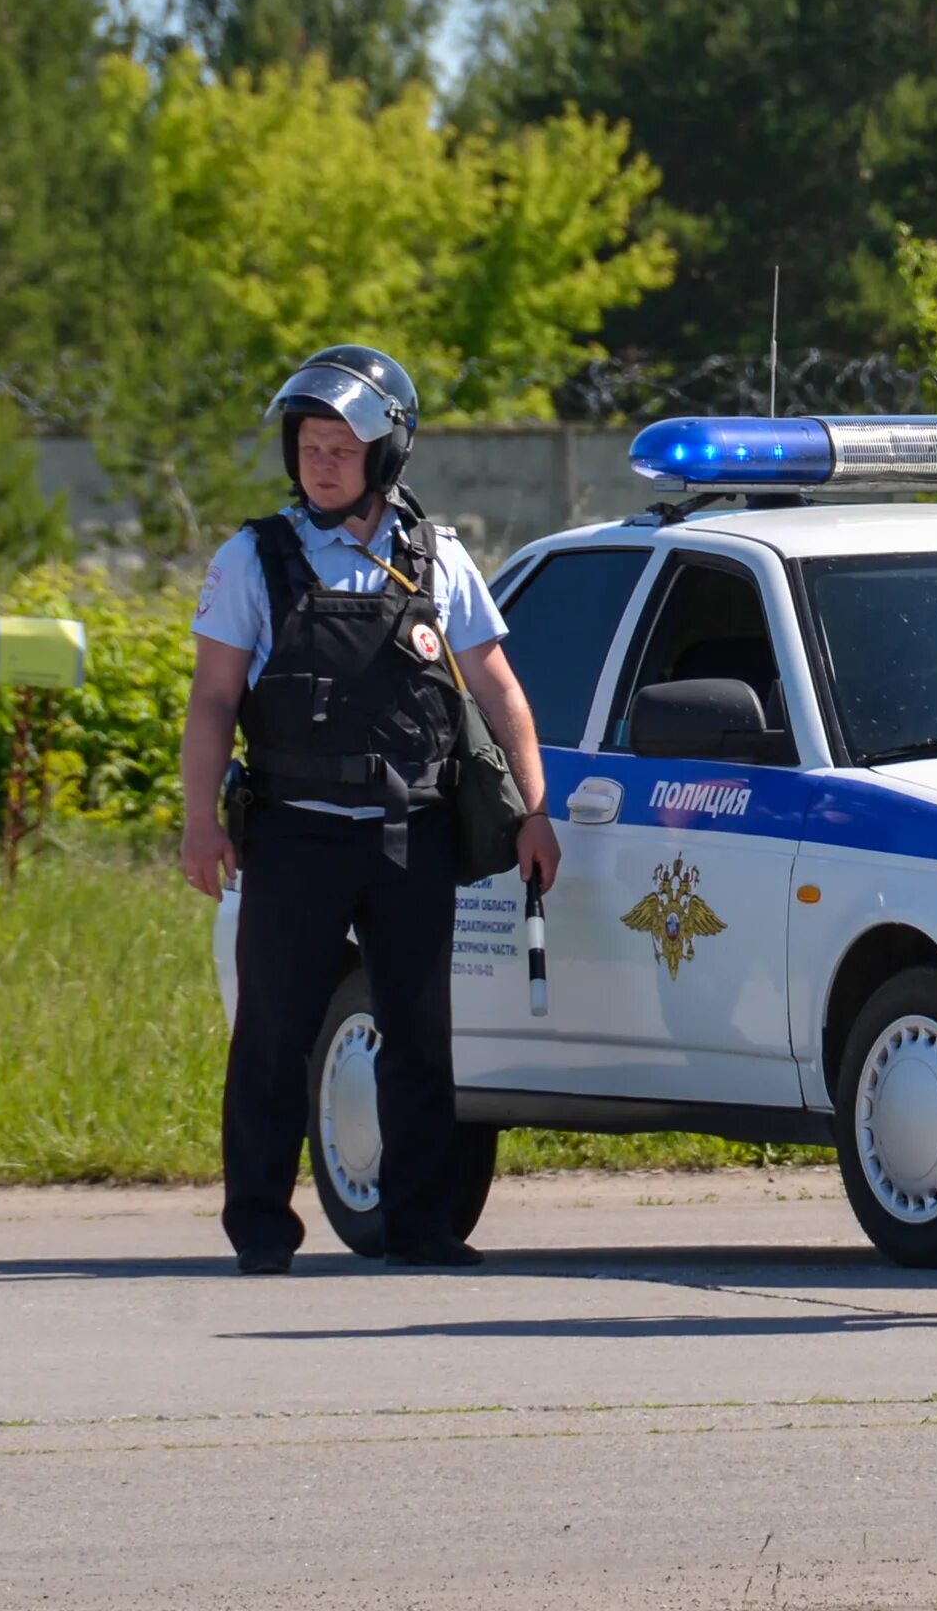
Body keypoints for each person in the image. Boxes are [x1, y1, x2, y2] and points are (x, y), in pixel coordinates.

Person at [177, 345, 561, 1274]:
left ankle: (422, 1227)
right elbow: (214, 701)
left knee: (420, 1040)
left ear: (386, 455)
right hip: (294, 833)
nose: (322, 463)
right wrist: (199, 821)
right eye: (310, 446)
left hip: (408, 834)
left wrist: (535, 811)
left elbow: (498, 689)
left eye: (342, 447)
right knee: (273, 1037)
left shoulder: (438, 558)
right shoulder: (253, 557)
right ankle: (262, 1231)